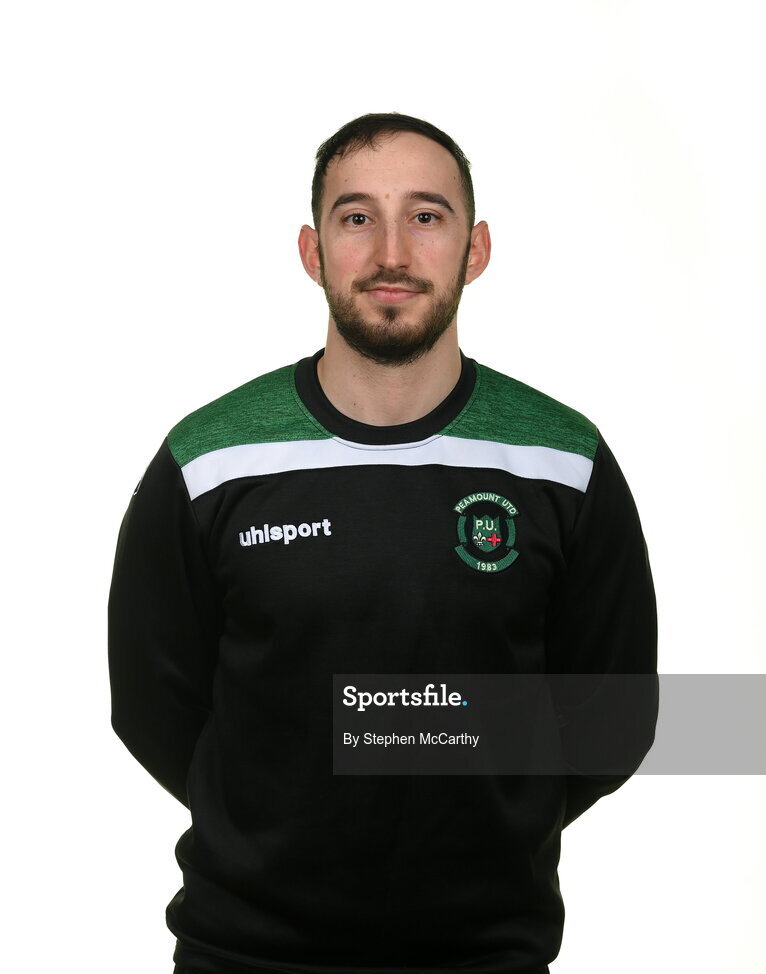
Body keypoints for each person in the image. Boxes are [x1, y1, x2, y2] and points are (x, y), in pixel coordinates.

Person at [108, 112, 658, 974]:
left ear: (475, 250)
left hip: (488, 956)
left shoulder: (563, 462)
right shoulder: (210, 460)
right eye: (357, 217)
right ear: (311, 251)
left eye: (426, 217)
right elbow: (151, 707)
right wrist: (276, 809)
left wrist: (446, 775)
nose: (392, 252)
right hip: (242, 953)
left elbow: (615, 718)